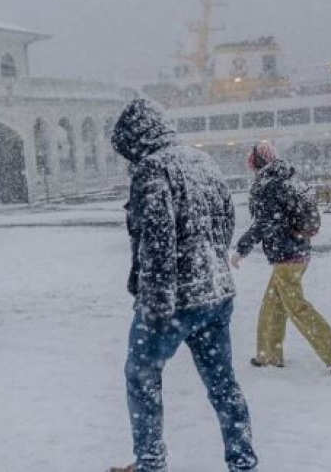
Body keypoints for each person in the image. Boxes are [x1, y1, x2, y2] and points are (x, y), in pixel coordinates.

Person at [110, 99, 257, 472]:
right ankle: (243, 462)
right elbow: (226, 223)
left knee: (141, 377)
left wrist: (156, 306)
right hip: (216, 291)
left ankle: (150, 463)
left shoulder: (152, 169)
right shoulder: (202, 161)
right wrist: (209, 264)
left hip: (172, 299)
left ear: (136, 139)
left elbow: (157, 240)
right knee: (223, 384)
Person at [230, 142, 331, 375]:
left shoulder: (271, 184)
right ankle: (268, 355)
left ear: (258, 163)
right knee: (273, 304)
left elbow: (265, 222)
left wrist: (241, 249)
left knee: (296, 306)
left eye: (252, 164)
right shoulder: (287, 178)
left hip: (287, 255)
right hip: (297, 250)